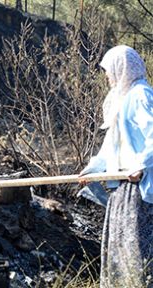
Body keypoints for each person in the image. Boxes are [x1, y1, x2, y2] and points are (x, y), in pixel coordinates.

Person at [78, 45, 153, 287]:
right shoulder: (123, 100)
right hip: (122, 188)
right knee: (120, 250)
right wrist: (93, 169)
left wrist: (140, 165)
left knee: (137, 252)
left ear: (122, 68)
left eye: (110, 70)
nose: (108, 76)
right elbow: (111, 147)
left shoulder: (141, 95)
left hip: (138, 189)